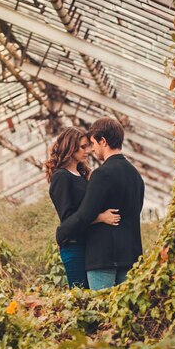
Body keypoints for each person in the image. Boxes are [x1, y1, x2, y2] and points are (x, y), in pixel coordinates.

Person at [56, 117, 145, 291]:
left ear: (103, 141)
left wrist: (61, 233)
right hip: (131, 255)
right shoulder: (136, 176)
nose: (92, 149)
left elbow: (85, 214)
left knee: (101, 313)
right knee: (125, 313)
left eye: (93, 143)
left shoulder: (102, 174)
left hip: (103, 256)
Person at [45, 127, 121, 289]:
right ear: (70, 147)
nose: (88, 150)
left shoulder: (82, 174)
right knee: (81, 296)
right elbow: (68, 219)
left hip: (88, 244)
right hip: (73, 245)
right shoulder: (61, 177)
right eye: (83, 147)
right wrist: (100, 217)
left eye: (88, 146)